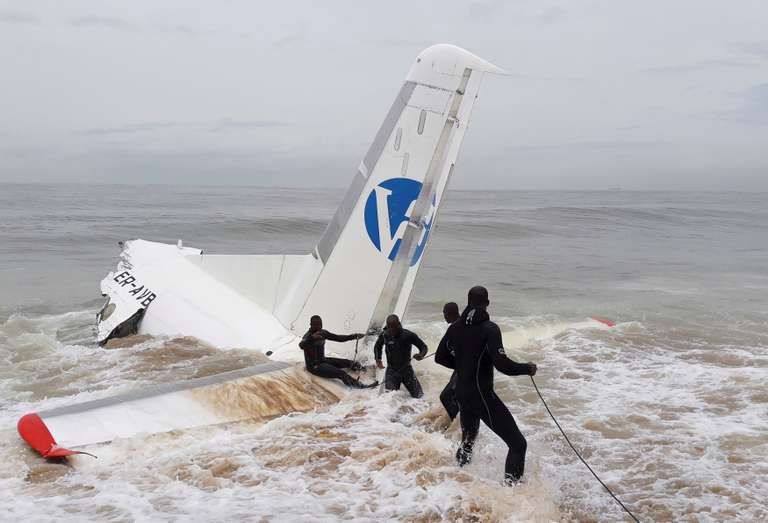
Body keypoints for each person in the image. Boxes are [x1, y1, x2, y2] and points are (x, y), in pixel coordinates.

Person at [435, 286, 538, 485]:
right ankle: (511, 493)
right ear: (487, 303)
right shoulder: (489, 329)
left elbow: (440, 357)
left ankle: (459, 479)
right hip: (481, 395)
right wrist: (527, 368)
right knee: (518, 444)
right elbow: (502, 365)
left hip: (462, 395)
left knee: (468, 440)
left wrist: (463, 365)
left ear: (467, 301)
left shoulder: (454, 327)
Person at [299, 315, 377, 389]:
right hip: (315, 366)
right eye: (316, 325)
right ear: (311, 324)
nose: (319, 327)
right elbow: (301, 345)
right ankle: (359, 385)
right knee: (340, 373)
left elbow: (338, 338)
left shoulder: (323, 333)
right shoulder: (307, 336)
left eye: (320, 325)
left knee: (348, 363)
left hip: (323, 360)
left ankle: (365, 370)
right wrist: (312, 338)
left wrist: (354, 336)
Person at [374, 314, 428, 398]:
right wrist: (378, 359)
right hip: (392, 372)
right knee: (390, 399)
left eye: (394, 328)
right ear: (387, 326)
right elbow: (377, 346)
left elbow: (423, 347)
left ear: (398, 324)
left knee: (419, 397)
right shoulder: (384, 335)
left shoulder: (408, 335)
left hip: (407, 371)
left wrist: (421, 355)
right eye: (390, 328)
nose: (392, 331)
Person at [438, 302, 461, 422]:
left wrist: (456, 365)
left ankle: (457, 422)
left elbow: (439, 357)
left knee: (445, 396)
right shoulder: (465, 324)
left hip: (463, 369)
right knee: (455, 396)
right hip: (465, 367)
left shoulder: (455, 327)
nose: (444, 317)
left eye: (444, 314)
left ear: (449, 313)